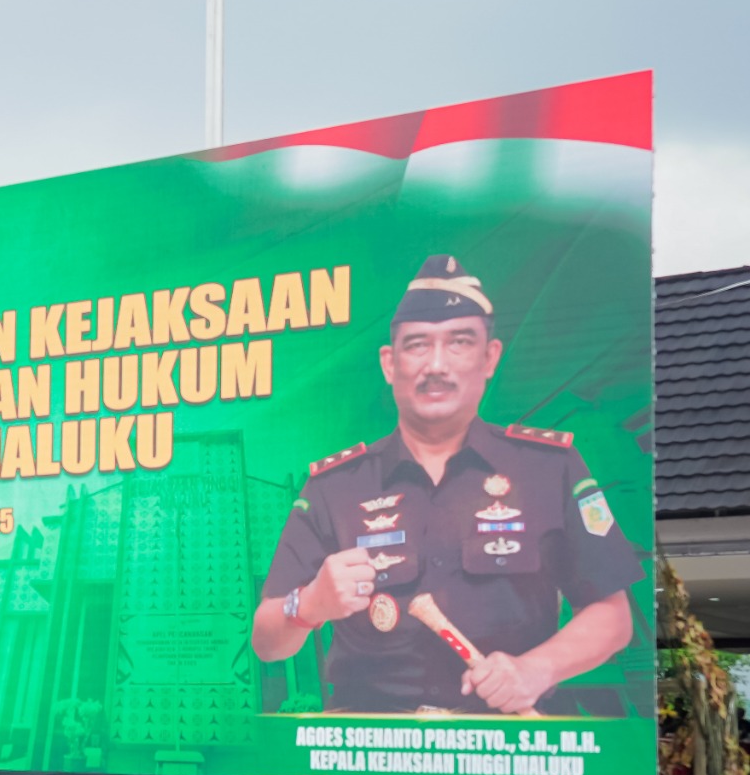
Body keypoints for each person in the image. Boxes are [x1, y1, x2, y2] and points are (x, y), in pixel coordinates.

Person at [252, 255, 642, 714]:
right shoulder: (334, 486)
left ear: (489, 357)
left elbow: (614, 617)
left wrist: (537, 669)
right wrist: (311, 603)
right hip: (368, 750)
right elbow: (266, 641)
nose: (436, 365)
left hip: (510, 748)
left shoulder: (549, 467)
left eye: (459, 342)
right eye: (417, 346)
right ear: (389, 363)